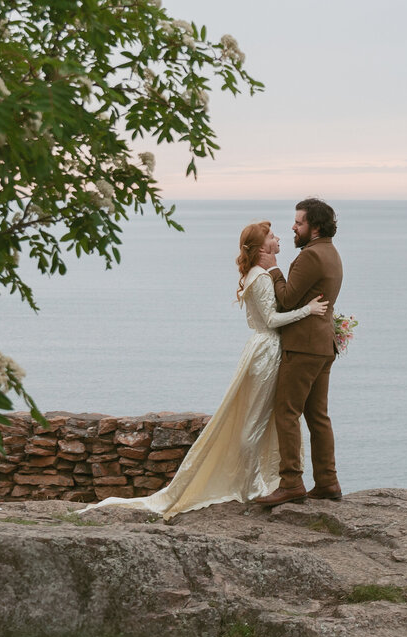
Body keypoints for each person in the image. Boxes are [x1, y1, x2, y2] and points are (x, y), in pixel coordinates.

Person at [78, 219, 329, 520]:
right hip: (268, 351)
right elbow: (273, 320)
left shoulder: (261, 273)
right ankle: (251, 486)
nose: (279, 238)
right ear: (263, 247)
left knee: (265, 417)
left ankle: (265, 480)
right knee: (256, 421)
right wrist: (309, 311)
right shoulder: (260, 278)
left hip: (263, 349)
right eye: (273, 236)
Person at [254, 198, 344, 507]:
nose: (293, 226)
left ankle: (291, 482)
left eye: (299, 222)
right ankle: (328, 482)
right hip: (323, 346)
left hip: (303, 347)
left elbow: (287, 301)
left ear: (315, 227)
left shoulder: (309, 257)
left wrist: (274, 270)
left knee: (286, 412)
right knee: (318, 417)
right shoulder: (332, 253)